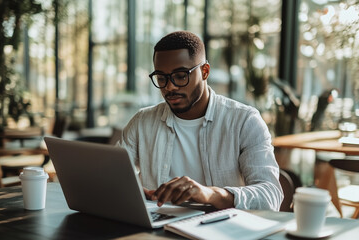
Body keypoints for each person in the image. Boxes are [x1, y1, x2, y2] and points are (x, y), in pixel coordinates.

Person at [118, 31, 283, 210]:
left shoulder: (244, 121)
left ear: (205, 72)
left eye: (181, 76)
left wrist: (210, 194)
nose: (169, 87)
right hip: (158, 230)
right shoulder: (142, 122)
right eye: (161, 78)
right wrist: (132, 192)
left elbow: (271, 195)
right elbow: (112, 175)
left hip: (220, 230)